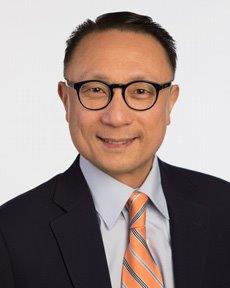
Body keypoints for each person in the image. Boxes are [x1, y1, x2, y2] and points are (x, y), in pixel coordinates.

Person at [0, 11, 229, 288]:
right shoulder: (11, 233)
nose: (116, 117)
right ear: (65, 101)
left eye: (141, 91)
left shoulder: (223, 208)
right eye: (95, 90)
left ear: (170, 102)